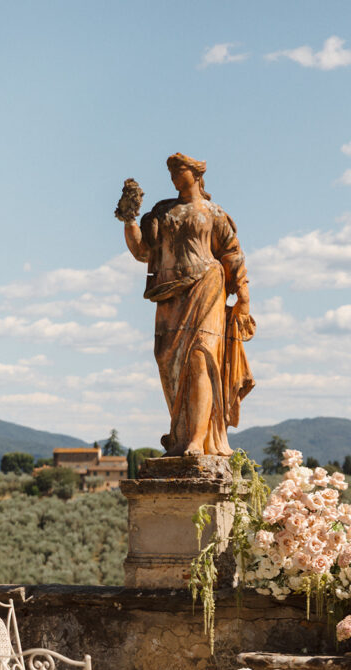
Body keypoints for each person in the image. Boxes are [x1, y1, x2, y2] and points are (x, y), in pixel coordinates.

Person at [120, 153, 255, 457]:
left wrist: (243, 297)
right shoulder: (162, 212)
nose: (174, 177)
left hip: (207, 286)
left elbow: (233, 254)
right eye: (170, 172)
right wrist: (129, 219)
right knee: (169, 363)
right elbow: (143, 251)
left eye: (179, 171)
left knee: (200, 357)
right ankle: (181, 435)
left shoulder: (213, 213)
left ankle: (198, 438)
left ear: (196, 174)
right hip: (170, 294)